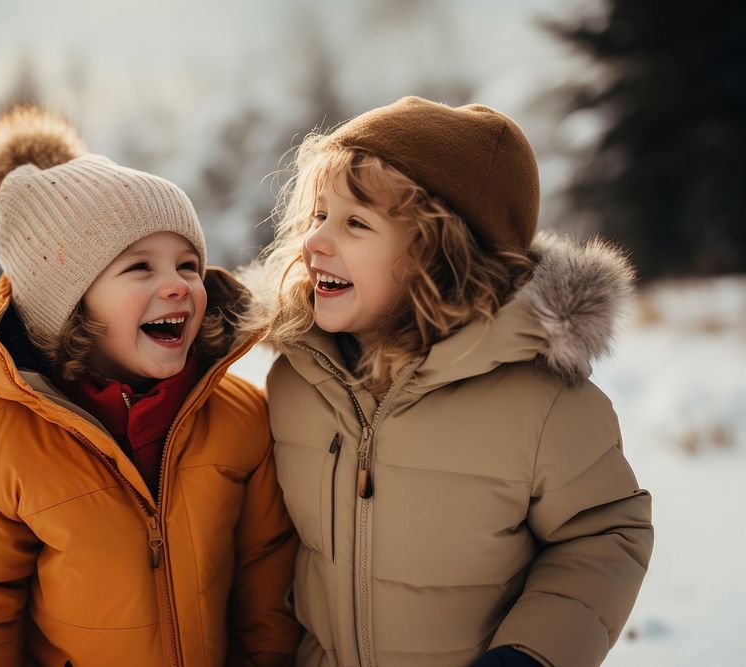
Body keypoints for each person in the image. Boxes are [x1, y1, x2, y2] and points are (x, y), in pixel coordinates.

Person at [240, 96, 653, 667]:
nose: (314, 243)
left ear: (441, 254)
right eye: (318, 216)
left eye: (355, 223)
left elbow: (604, 534)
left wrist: (531, 654)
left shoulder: (541, 401)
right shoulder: (298, 379)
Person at [0, 107, 299, 666]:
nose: (177, 285)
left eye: (188, 264)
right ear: (67, 307)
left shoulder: (241, 417)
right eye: (139, 268)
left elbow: (266, 579)